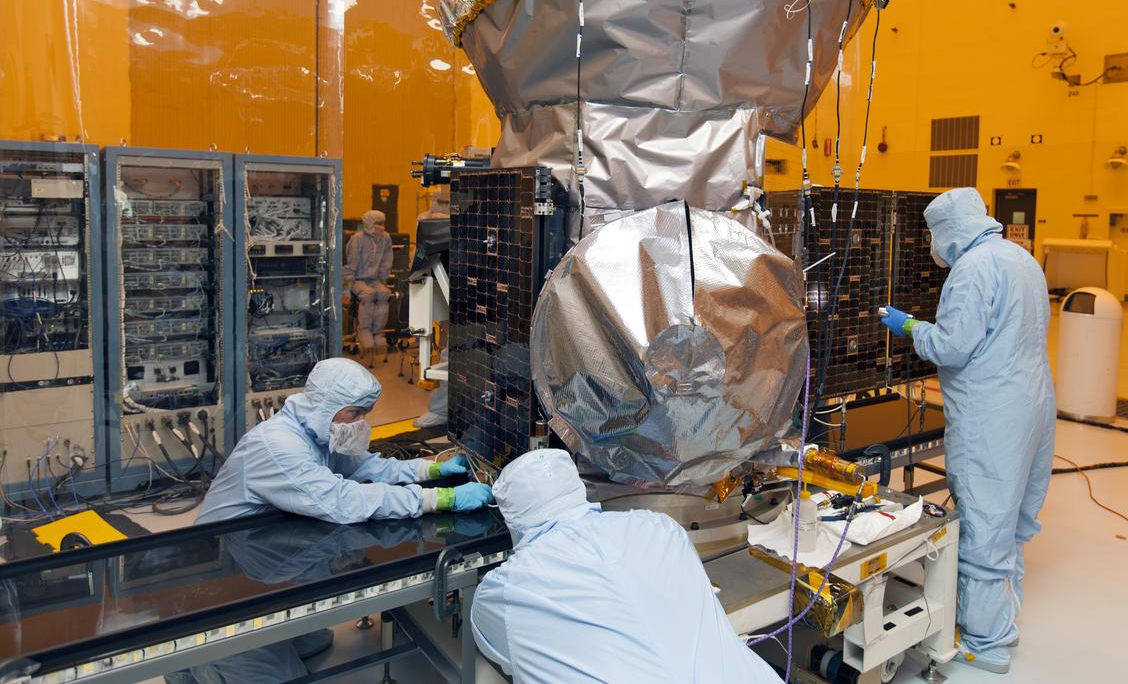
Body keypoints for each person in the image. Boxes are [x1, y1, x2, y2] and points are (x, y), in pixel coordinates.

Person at [881, 187, 1055, 675]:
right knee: (1009, 520)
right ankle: (1001, 611)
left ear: (950, 229)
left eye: (934, 234)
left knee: (982, 524)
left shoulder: (973, 269)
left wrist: (911, 327)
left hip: (992, 413)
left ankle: (987, 641)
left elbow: (954, 346)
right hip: (1032, 405)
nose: (935, 245)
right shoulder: (1020, 258)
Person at [471, 449, 781, 683]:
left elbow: (491, 643)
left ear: (512, 518)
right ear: (578, 488)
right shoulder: (661, 528)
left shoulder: (507, 590)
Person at [197, 358, 493, 525]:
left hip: (265, 532)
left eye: (365, 414)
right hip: (224, 549)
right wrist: (437, 499)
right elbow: (342, 500)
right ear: (326, 406)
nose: (359, 423)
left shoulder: (313, 431)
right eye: (355, 413)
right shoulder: (279, 447)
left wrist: (429, 470)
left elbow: (363, 466)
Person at [344, 209, 394, 365]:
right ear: (370, 223)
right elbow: (351, 264)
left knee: (384, 294)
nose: (381, 227)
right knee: (369, 294)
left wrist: (383, 281)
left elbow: (386, 261)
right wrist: (347, 288)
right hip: (357, 279)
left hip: (375, 279)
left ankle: (378, 332)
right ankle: (364, 331)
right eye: (378, 223)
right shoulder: (357, 239)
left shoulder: (385, 238)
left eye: (383, 223)